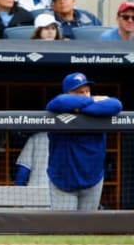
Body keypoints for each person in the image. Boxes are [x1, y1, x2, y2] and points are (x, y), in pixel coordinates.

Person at [46, 72, 122, 210]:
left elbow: (116, 105)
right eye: (80, 92)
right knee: (64, 229)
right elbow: (61, 102)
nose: (86, 94)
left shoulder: (99, 111)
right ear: (68, 93)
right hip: (63, 181)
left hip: (92, 180)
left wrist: (83, 105)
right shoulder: (57, 108)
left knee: (87, 229)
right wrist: (94, 100)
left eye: (87, 91)